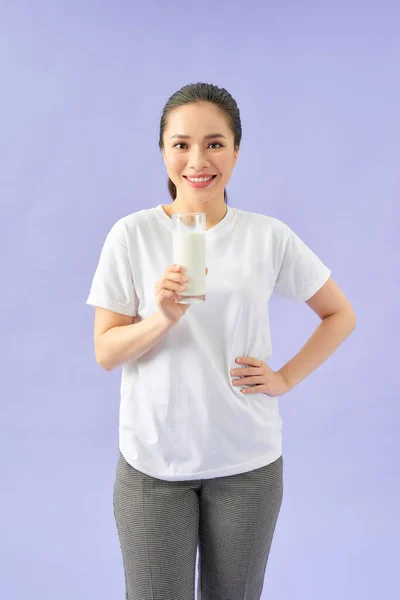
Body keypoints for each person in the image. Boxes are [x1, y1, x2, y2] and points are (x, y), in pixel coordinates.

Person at [86, 82, 356, 600]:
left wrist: (285, 378)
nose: (197, 160)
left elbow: (339, 314)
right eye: (181, 144)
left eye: (214, 143)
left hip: (246, 466)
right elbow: (105, 352)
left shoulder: (267, 236)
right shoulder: (132, 235)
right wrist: (160, 318)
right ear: (163, 151)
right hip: (153, 466)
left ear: (236, 151)